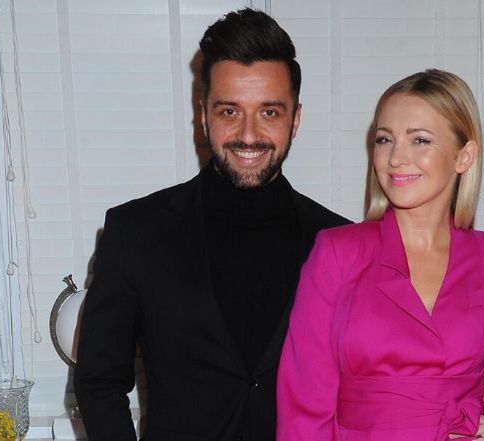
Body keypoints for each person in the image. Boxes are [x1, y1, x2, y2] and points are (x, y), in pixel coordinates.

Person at [277, 69, 484, 441]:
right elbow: (304, 404)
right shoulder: (337, 253)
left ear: (463, 156)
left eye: (419, 140)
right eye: (385, 139)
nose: (396, 158)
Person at [74, 8, 349, 441]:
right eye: (229, 111)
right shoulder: (135, 234)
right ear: (203, 115)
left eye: (269, 112)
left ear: (295, 119)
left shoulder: (339, 242)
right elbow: (99, 382)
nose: (248, 134)